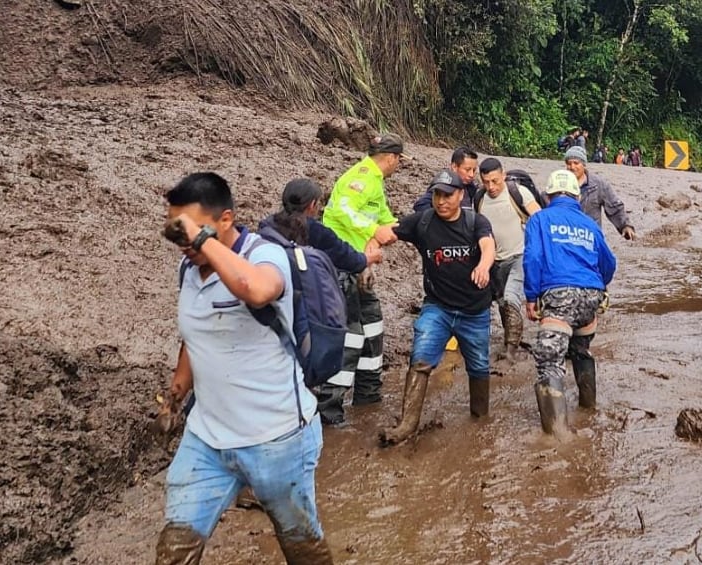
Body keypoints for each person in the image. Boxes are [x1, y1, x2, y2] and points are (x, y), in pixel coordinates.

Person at [155, 173, 333, 563]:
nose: (185, 242)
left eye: (194, 230)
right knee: (173, 550)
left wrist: (201, 241)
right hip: (207, 440)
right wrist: (174, 395)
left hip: (277, 439)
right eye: (178, 232)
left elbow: (256, 289)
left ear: (226, 220)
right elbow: (196, 336)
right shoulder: (189, 270)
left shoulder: (264, 256)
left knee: (301, 546)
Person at [375, 169, 496, 445]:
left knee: (478, 366)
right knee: (420, 359)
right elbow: (387, 233)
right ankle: (406, 425)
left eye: (447, 195)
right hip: (437, 307)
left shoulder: (475, 221)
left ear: (460, 195)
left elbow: (488, 246)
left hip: (474, 310)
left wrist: (483, 265)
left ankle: (480, 420)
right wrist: (367, 256)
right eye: (436, 195)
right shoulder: (423, 222)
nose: (441, 201)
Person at [318, 133, 405, 426]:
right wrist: (372, 230)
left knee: (373, 327)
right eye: (399, 161)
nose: (398, 166)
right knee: (350, 336)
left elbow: (385, 219)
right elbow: (341, 208)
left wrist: (397, 229)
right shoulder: (361, 176)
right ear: (392, 158)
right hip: (341, 267)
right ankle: (329, 410)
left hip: (362, 268)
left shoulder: (376, 183)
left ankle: (368, 397)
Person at [523, 169, 617, 435]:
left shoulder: (539, 219)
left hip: (559, 294)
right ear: (577, 196)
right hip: (590, 296)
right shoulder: (589, 224)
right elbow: (609, 263)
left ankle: (558, 437)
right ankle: (589, 409)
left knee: (549, 359)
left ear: (548, 195)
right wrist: (598, 285)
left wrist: (531, 296)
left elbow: (532, 258)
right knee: (581, 350)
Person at [474, 158, 541, 361]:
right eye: (486, 182)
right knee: (503, 302)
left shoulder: (518, 192)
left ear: (503, 175)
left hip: (520, 255)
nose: (491, 187)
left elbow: (540, 219)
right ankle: (510, 337)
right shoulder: (479, 198)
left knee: (511, 297)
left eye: (495, 181)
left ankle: (510, 351)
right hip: (495, 261)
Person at [563, 146, 636, 240]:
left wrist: (626, 226)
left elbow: (614, 207)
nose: (572, 167)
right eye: (569, 164)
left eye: (576, 163)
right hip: (566, 237)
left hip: (591, 237)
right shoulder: (560, 184)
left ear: (584, 164)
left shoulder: (598, 184)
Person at [413, 146, 479, 212]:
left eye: (474, 170)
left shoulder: (471, 188)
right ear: (454, 167)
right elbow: (420, 205)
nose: (471, 175)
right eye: (467, 170)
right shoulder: (443, 185)